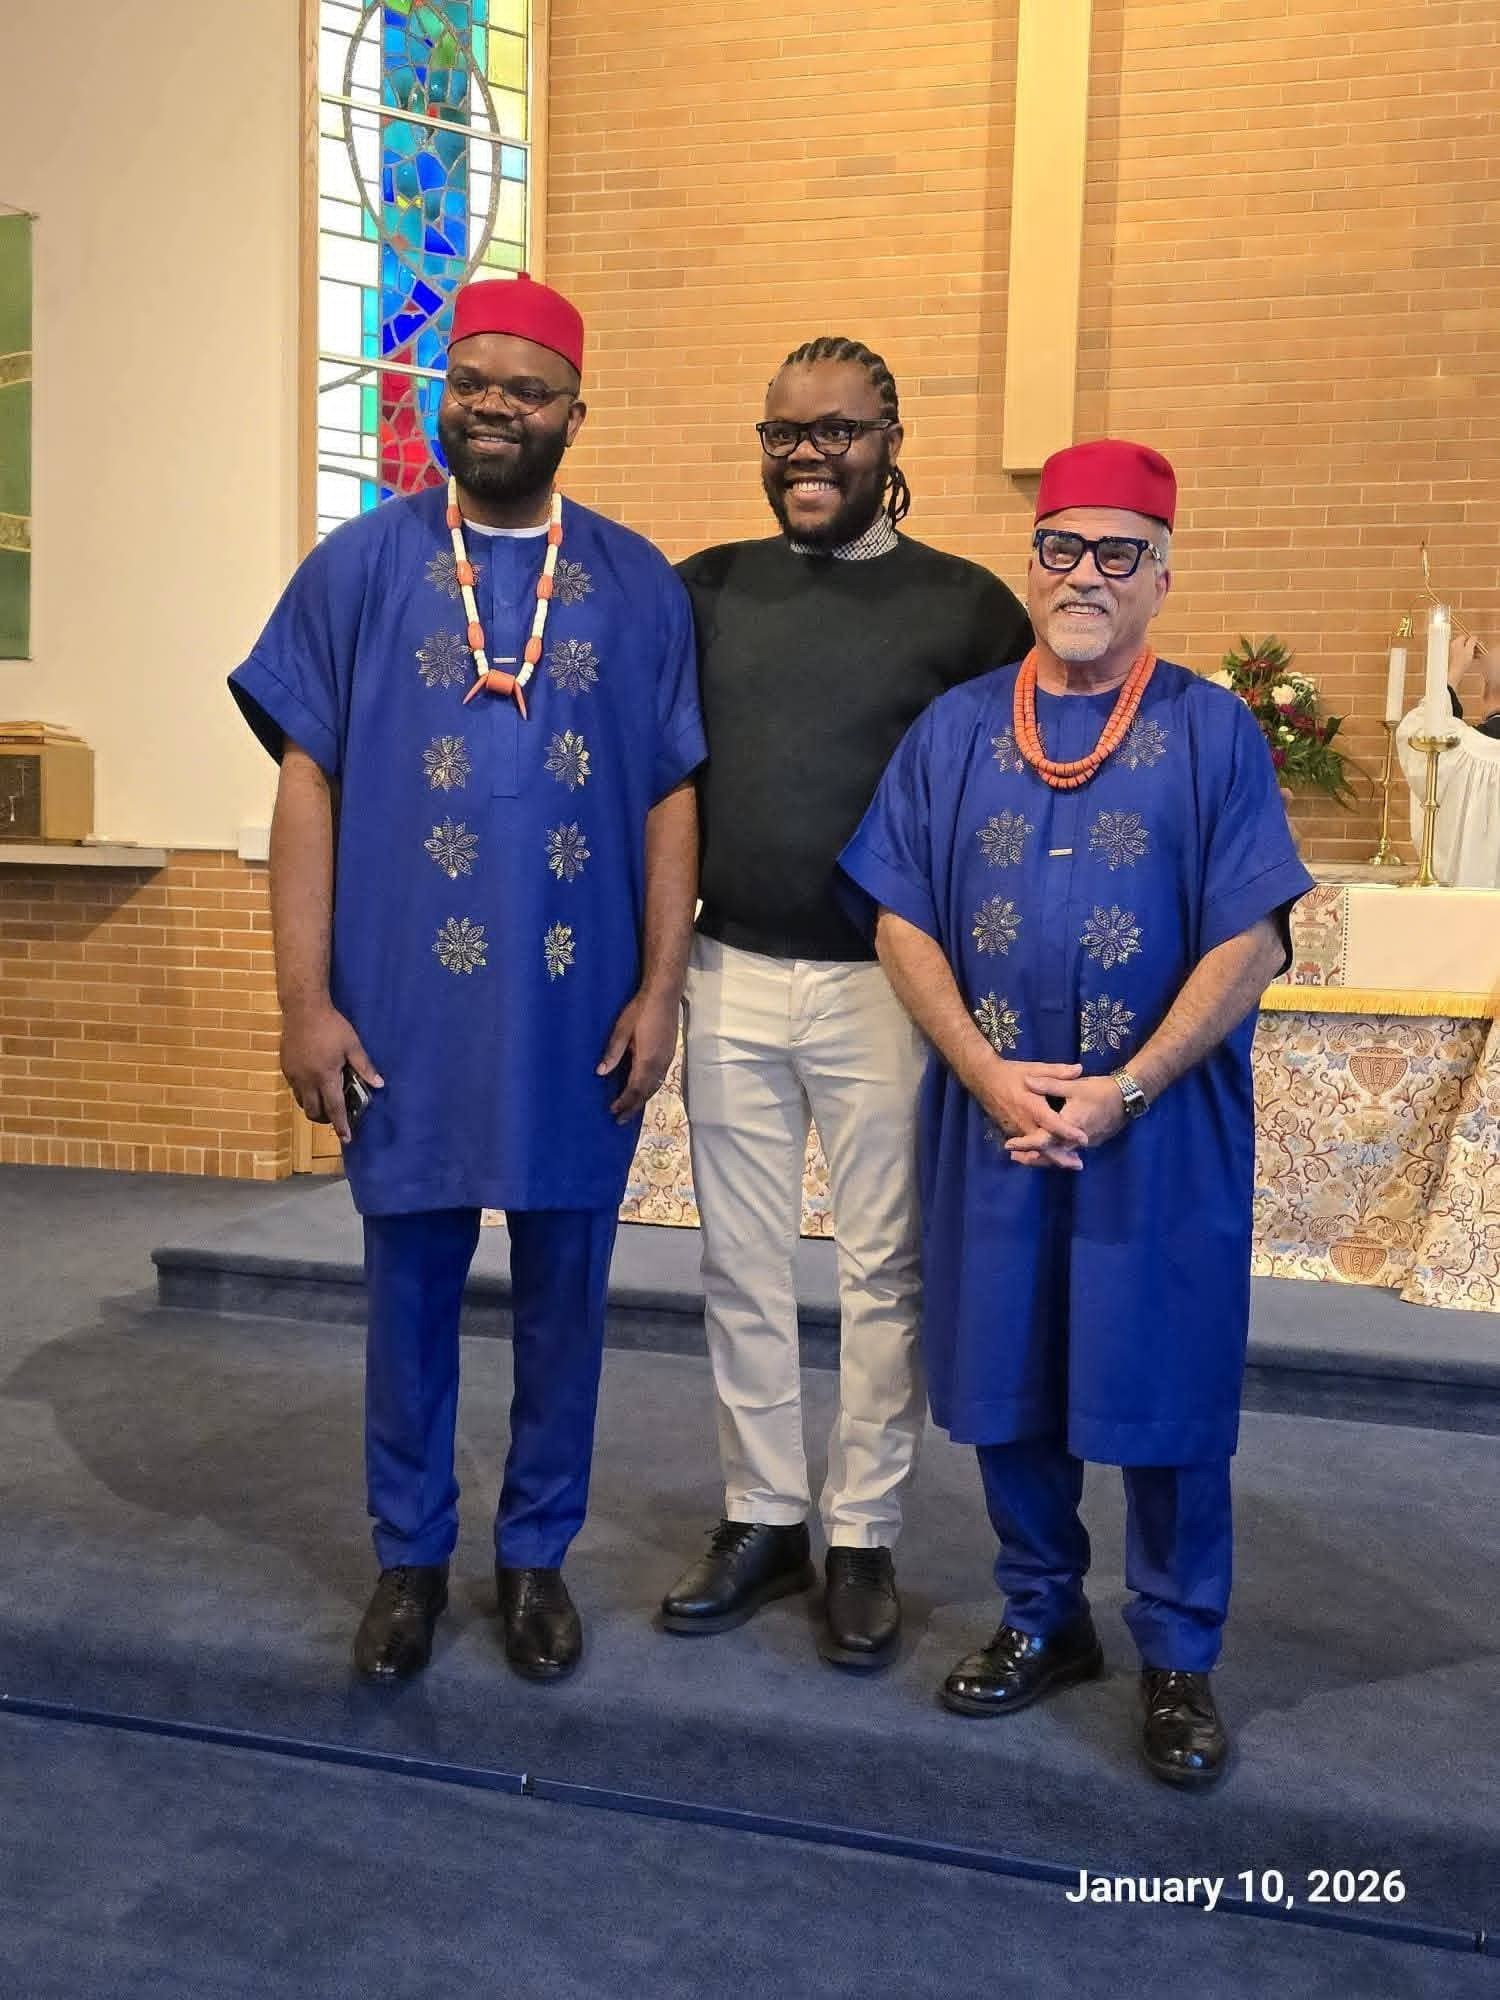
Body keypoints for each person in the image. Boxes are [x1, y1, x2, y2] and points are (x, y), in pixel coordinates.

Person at [229, 275, 705, 1685]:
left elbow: (671, 790)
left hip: (577, 1008)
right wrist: (303, 1000)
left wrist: (662, 986)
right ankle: (411, 1557)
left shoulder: (637, 581)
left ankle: (537, 1554)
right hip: (403, 1008)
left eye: (527, 389)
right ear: (445, 393)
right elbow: (305, 784)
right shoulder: (357, 568)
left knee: (567, 1298)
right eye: (474, 381)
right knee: (410, 1294)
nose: (496, 406)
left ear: (574, 412)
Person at [838, 439, 1313, 1781]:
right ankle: (1045, 1614)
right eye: (1062, 548)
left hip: (1159, 1135)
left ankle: (1178, 1651)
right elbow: (898, 913)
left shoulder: (1213, 732)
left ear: (1163, 573)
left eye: (1118, 552)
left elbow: (1253, 938)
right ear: (1033, 560)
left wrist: (1129, 1085)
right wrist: (984, 1070)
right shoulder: (955, 730)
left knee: (1165, 1388)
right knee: (1010, 1378)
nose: (1085, 575)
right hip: (995, 1126)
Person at [661, 337, 1032, 1669]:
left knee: (884, 1267)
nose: (808, 454)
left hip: (889, 985)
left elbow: (1009, 794)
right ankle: (764, 1514)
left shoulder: (967, 608)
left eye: (837, 431)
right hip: (729, 966)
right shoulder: (707, 589)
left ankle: (863, 1529)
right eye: (784, 433)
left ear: (890, 440)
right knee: (739, 1262)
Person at [1397, 632, 1500, 887]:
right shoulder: (1467, 749)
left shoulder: (1462, 751)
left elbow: (1421, 732)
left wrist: (1453, 674)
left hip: (1464, 904)